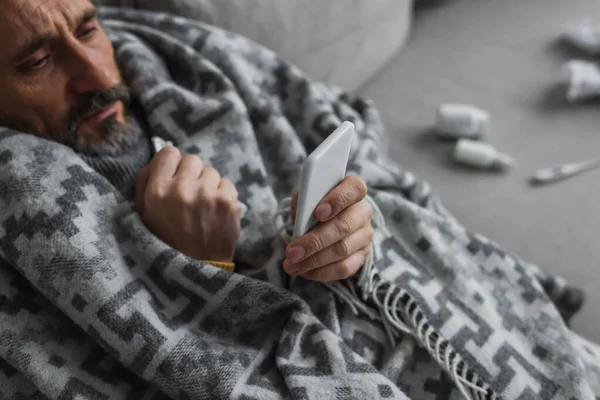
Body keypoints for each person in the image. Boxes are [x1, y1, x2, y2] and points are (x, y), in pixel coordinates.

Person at [0, 0, 374, 281]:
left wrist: (350, 228)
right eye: (38, 62)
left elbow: (355, 143)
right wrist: (202, 268)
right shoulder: (30, 222)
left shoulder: (176, 61)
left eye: (87, 31)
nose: (98, 76)